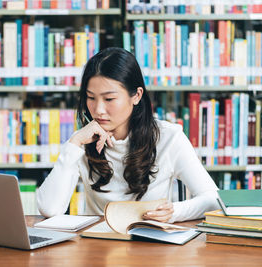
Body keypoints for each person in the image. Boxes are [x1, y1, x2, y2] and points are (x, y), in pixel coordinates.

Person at [37, 47, 219, 223]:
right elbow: (49, 209)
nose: (98, 110)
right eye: (91, 97)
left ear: (136, 96)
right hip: (97, 248)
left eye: (109, 99)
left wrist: (174, 212)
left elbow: (213, 200)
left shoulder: (169, 138)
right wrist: (74, 143)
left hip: (150, 245)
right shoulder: (83, 140)